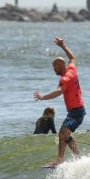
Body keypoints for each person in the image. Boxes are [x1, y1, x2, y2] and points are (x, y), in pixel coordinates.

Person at [34, 37, 86, 165]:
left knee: (62, 133)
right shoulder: (71, 70)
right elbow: (72, 58)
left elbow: (58, 92)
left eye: (54, 67)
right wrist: (63, 46)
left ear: (58, 66)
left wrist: (42, 97)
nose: (53, 70)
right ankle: (79, 157)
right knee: (65, 135)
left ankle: (59, 159)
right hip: (78, 109)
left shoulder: (65, 79)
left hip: (76, 111)